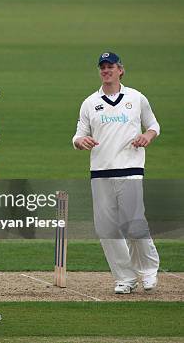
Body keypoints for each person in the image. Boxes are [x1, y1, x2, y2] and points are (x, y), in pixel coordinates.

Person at [72, 52, 161, 294]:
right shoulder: (90, 102)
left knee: (134, 223)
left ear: (120, 69)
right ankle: (125, 277)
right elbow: (78, 135)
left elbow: (153, 125)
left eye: (110, 66)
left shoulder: (136, 98)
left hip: (131, 168)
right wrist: (81, 142)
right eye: (102, 67)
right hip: (100, 171)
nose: (106, 70)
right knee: (107, 229)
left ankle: (149, 270)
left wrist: (147, 136)